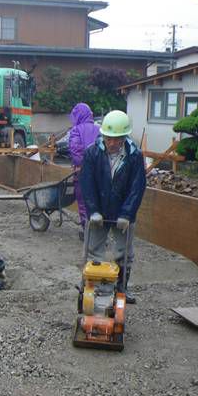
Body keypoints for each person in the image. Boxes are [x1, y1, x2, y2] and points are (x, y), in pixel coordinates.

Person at [79, 110, 146, 303]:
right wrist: (93, 210)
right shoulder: (92, 153)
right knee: (93, 249)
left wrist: (127, 214)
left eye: (117, 139)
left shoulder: (134, 156)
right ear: (103, 136)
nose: (112, 143)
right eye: (109, 139)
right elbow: (87, 183)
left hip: (122, 211)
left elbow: (137, 187)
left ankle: (121, 288)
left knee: (124, 253)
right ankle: (95, 286)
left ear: (125, 137)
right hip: (99, 209)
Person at [68, 102, 100, 238]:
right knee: (98, 199)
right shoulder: (99, 129)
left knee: (83, 201)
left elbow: (75, 150)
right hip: (99, 172)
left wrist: (82, 164)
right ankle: (98, 230)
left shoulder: (76, 130)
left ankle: (87, 230)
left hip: (82, 172)